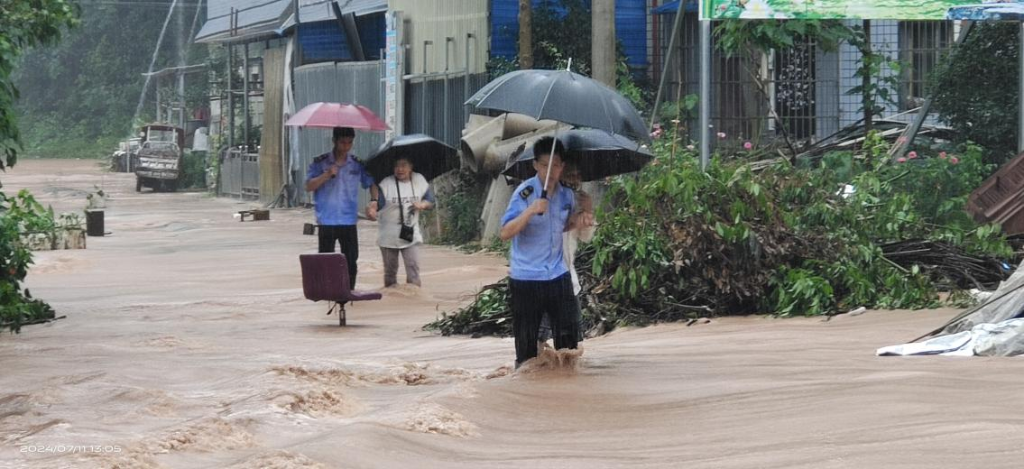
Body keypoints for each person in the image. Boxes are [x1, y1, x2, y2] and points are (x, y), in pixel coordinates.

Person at [499, 136, 594, 368]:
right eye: (545, 165)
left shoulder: (566, 195)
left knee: (569, 347)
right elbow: (505, 232)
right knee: (527, 353)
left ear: (562, 166)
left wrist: (580, 220)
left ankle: (566, 391)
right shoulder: (524, 193)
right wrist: (530, 211)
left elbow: (565, 226)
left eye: (557, 165)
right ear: (535, 165)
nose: (551, 171)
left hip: (557, 275)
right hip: (526, 278)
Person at [305, 126, 380, 289]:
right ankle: (326, 292)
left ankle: (349, 291)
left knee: (351, 260)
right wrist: (326, 175)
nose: (345, 146)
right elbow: (309, 186)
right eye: (342, 142)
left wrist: (374, 201)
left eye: (349, 143)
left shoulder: (357, 164)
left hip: (348, 220)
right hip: (327, 220)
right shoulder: (320, 162)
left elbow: (372, 183)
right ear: (334, 141)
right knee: (325, 260)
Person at [538, 162, 595, 346]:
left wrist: (588, 212)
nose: (575, 180)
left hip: (568, 282)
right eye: (570, 175)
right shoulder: (541, 200)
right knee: (536, 345)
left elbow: (585, 237)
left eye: (577, 175)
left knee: (570, 348)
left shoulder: (576, 203)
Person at [375, 156, 435, 287]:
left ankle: (414, 300)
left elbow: (431, 201)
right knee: (390, 272)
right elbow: (378, 205)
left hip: (410, 232)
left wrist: (423, 204)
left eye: (404, 165)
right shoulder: (386, 183)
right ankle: (391, 298)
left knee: (413, 268)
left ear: (411, 166)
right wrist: (372, 208)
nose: (400, 169)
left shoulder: (419, 180)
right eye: (397, 166)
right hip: (388, 235)